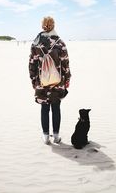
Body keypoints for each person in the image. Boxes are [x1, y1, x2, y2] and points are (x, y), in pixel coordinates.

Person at [29, 16, 71, 144]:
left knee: (44, 108)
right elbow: (65, 64)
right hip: (57, 82)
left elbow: (32, 64)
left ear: (43, 26)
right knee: (56, 108)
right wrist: (67, 79)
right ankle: (57, 137)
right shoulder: (60, 43)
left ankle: (46, 137)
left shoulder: (36, 44)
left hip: (41, 82)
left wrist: (33, 80)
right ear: (53, 26)